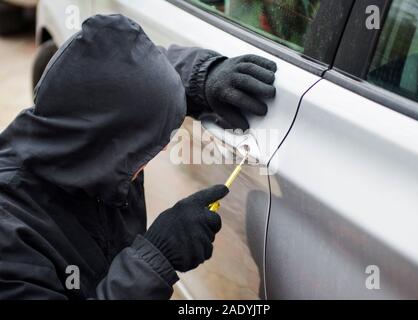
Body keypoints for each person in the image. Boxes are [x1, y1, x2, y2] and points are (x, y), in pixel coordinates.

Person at [0, 14, 277, 299]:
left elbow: (132, 73)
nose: (163, 153)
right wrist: (154, 260)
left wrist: (202, 78)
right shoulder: (10, 236)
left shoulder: (85, 141)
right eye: (143, 147)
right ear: (104, 143)